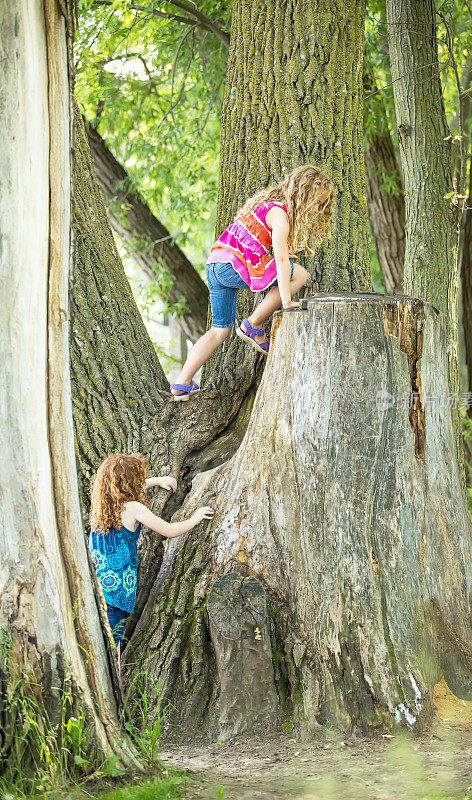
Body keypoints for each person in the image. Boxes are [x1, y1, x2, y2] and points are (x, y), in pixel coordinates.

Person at [170, 164, 335, 399]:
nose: (318, 209)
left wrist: (281, 253)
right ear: (303, 195)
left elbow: (258, 242)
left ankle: (182, 383)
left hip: (215, 264)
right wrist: (286, 300)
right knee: (299, 274)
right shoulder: (281, 214)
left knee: (220, 330)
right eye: (317, 203)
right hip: (232, 267)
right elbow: (279, 258)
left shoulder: (265, 207)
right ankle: (253, 324)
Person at [88, 453, 213, 649]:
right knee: (112, 651)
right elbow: (170, 530)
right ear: (131, 482)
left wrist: (156, 481)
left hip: (92, 588)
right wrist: (195, 518)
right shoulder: (133, 508)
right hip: (114, 595)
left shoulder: (102, 507)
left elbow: (129, 489)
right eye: (138, 478)